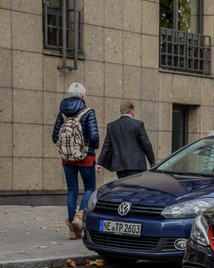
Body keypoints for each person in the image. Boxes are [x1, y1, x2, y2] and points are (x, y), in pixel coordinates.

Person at [52, 82, 99, 240]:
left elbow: (54, 137)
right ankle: (79, 217)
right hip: (86, 156)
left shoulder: (62, 113)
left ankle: (72, 230)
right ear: (83, 95)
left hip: (67, 158)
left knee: (72, 191)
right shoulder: (88, 112)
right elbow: (94, 136)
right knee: (90, 188)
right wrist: (93, 148)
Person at [97, 101, 155, 179]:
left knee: (124, 188)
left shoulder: (112, 126)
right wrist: (152, 162)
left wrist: (100, 163)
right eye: (133, 111)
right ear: (131, 111)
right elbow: (146, 144)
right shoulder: (138, 124)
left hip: (120, 166)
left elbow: (106, 146)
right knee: (134, 189)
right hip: (137, 165)